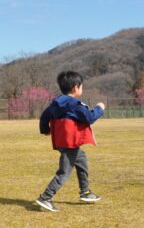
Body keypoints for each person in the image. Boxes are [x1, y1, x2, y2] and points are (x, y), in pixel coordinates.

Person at [36, 71, 105, 212]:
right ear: (75, 87)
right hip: (70, 142)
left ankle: (85, 192)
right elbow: (89, 118)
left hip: (62, 141)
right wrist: (100, 108)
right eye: (82, 86)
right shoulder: (75, 104)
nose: (81, 89)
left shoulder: (55, 104)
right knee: (64, 172)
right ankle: (45, 197)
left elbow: (44, 116)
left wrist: (45, 130)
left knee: (81, 159)